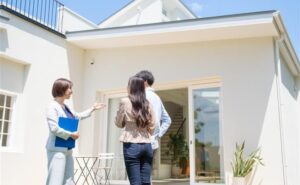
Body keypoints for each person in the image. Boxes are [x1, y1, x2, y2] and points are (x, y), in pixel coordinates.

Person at [46, 78, 105, 185]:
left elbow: (77, 116)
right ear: (61, 89)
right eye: (69, 88)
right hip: (57, 151)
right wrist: (71, 134)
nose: (71, 91)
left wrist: (92, 108)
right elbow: (53, 128)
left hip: (67, 150)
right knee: (55, 181)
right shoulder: (52, 107)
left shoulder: (65, 107)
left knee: (69, 181)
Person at [115, 76, 156, 185]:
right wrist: (146, 133)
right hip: (147, 145)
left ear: (131, 87)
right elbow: (153, 125)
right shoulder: (147, 103)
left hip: (131, 144)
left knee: (135, 182)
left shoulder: (124, 101)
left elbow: (119, 123)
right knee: (146, 182)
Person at [135, 70, 171, 175]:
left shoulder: (140, 96)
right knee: (146, 175)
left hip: (139, 142)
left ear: (145, 82)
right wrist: (158, 134)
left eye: (138, 80)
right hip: (153, 143)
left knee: (136, 177)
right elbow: (167, 120)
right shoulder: (157, 98)